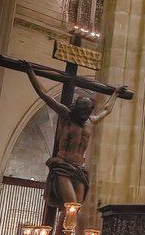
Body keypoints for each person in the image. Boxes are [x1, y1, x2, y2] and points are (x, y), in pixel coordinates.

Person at [16, 61, 124, 207]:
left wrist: (115, 93)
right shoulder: (66, 116)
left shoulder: (91, 121)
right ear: (76, 109)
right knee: (71, 204)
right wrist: (30, 72)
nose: (84, 115)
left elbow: (107, 110)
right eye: (81, 112)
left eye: (86, 112)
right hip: (64, 166)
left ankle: (66, 230)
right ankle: (66, 229)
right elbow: (44, 94)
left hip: (79, 169)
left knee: (76, 209)